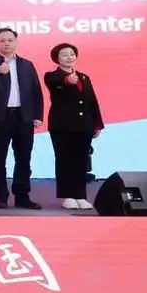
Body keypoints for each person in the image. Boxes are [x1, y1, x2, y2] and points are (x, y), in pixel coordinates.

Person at [0, 28, 45, 210]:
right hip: (0, 117)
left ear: (16, 42)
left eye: (10, 40)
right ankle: (1, 196)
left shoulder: (27, 64)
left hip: (24, 117)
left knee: (24, 157)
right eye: (2, 40)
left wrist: (38, 115)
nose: (6, 43)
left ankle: (22, 196)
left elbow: (36, 91)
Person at [44, 43, 104, 210]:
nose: (69, 57)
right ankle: (67, 196)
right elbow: (55, 83)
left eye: (71, 54)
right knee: (64, 160)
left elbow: (92, 101)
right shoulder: (52, 76)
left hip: (84, 126)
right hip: (62, 126)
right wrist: (66, 80)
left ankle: (80, 195)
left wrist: (97, 123)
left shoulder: (84, 77)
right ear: (57, 59)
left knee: (81, 161)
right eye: (64, 55)